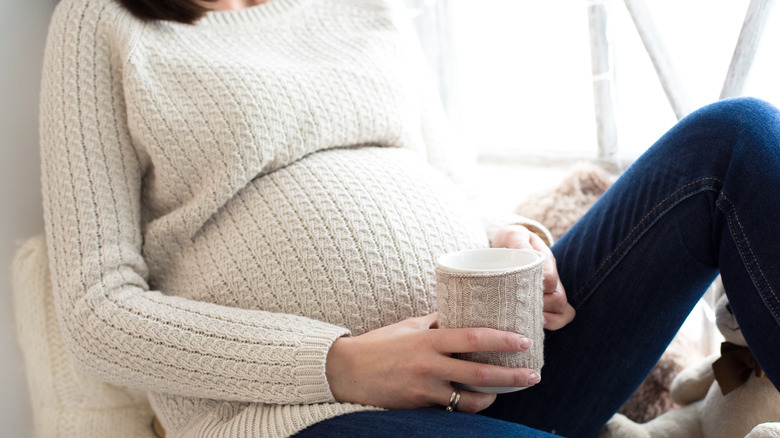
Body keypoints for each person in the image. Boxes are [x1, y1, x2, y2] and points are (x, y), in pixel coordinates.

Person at [39, 0, 779, 437]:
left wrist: (512, 239)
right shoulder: (98, 25)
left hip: (513, 364)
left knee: (737, 139)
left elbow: (450, 178)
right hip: (316, 419)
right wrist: (342, 363)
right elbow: (97, 308)